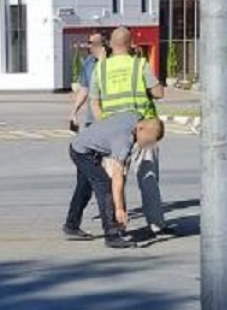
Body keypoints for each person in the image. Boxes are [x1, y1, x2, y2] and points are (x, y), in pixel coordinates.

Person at [89, 27, 175, 240]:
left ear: (111, 45)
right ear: (130, 44)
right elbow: (159, 93)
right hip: (143, 129)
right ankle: (156, 225)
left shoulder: (101, 68)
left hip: (113, 134)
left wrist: (104, 127)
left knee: (116, 180)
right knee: (148, 178)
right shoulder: (139, 64)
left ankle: (119, 227)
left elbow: (94, 102)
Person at [68, 112, 165, 249]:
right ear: (141, 129)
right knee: (106, 188)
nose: (147, 144)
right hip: (83, 153)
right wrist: (119, 209)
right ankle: (111, 235)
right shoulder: (124, 141)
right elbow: (117, 176)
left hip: (81, 145)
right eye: (148, 140)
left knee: (84, 189)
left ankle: (71, 225)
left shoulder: (136, 118)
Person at [62, 32, 109, 241]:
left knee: (97, 179)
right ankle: (74, 224)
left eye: (94, 43)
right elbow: (85, 88)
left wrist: (105, 60)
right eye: (89, 43)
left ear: (104, 44)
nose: (90, 47)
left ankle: (73, 223)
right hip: (93, 127)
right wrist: (74, 111)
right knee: (91, 179)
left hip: (110, 126)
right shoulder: (89, 62)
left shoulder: (112, 63)